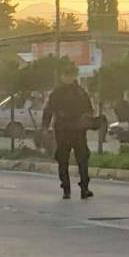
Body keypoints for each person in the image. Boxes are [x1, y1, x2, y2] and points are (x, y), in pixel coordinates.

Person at [43, 68, 96, 200]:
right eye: (66, 75)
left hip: (77, 131)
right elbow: (49, 110)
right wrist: (45, 126)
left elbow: (89, 110)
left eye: (70, 75)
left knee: (82, 160)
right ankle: (66, 189)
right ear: (62, 76)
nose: (67, 78)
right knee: (63, 160)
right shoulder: (58, 93)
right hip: (63, 130)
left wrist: (87, 119)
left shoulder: (80, 92)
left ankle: (84, 188)